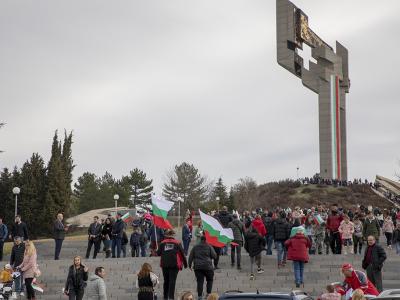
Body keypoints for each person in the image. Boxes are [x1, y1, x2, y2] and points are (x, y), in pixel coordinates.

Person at [157, 229, 187, 300]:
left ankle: (165, 296)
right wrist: (185, 264)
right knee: (172, 281)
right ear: (173, 235)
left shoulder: (162, 243)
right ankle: (171, 297)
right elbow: (183, 254)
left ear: (166, 235)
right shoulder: (177, 243)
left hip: (164, 264)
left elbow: (158, 253)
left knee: (166, 281)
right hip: (174, 265)